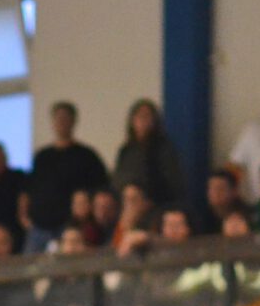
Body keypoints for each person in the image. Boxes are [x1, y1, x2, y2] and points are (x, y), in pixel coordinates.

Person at [27, 102, 110, 250]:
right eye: (58, 118)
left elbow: (101, 187)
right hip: (40, 227)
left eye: (65, 118)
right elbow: (29, 190)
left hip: (71, 228)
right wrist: (26, 217)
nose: (61, 122)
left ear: (73, 121)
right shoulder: (42, 157)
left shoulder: (86, 156)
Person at [112, 98, 184, 212]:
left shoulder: (163, 148)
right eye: (139, 116)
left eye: (147, 116)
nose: (143, 121)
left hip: (155, 201)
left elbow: (171, 181)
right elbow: (118, 178)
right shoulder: (126, 150)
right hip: (127, 199)